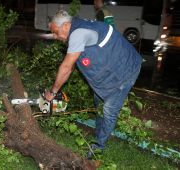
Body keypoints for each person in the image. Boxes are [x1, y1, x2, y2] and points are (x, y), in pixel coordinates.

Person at [44, 10, 142, 159]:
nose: (56, 37)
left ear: (65, 25)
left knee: (109, 110)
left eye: (56, 32)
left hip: (124, 71)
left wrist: (53, 92)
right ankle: (99, 131)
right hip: (109, 70)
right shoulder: (77, 28)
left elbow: (66, 68)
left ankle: (98, 148)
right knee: (99, 101)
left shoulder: (78, 33)